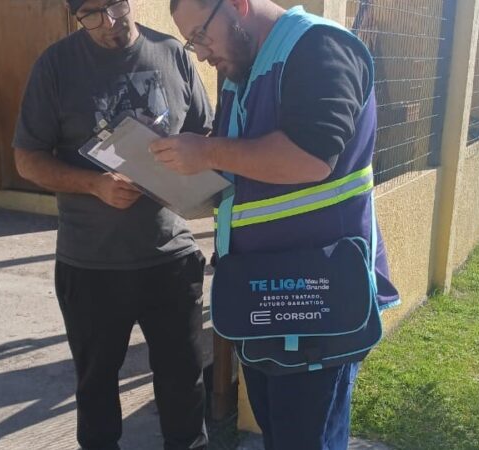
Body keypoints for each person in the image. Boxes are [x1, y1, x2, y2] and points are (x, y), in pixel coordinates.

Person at [149, 0, 401, 448]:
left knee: (306, 440)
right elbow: (242, 167)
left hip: (317, 299)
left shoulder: (319, 47)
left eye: (202, 35)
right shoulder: (244, 71)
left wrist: (206, 153)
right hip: (265, 295)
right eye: (192, 43)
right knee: (279, 434)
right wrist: (178, 171)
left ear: (239, 6)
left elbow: (309, 157)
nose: (202, 54)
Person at [12, 0, 214, 448]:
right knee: (97, 389)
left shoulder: (173, 54)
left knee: (185, 382)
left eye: (115, 6)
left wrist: (188, 169)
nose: (109, 22)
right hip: (91, 265)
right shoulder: (56, 67)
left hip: (171, 256)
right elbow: (27, 159)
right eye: (91, 14)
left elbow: (206, 135)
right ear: (75, 16)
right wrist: (94, 185)